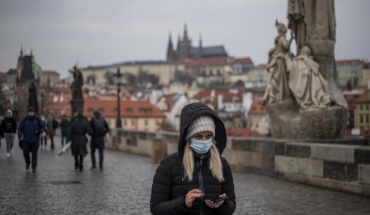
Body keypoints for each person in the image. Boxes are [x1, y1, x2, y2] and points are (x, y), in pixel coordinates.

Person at [150, 102, 236, 215]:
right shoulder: (168, 165)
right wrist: (183, 203)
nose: (204, 141)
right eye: (198, 136)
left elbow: (232, 206)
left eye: (208, 136)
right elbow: (156, 208)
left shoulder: (222, 164)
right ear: (188, 137)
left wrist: (223, 204)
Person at [17, 107, 46, 172]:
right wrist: (20, 135)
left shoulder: (37, 119)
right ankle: (27, 162)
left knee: (34, 154)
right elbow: (20, 128)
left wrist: (42, 131)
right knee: (25, 152)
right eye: (29, 112)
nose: (31, 113)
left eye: (32, 112)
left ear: (34, 113)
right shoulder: (24, 120)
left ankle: (34, 167)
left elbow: (42, 126)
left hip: (35, 140)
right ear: (28, 113)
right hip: (26, 140)